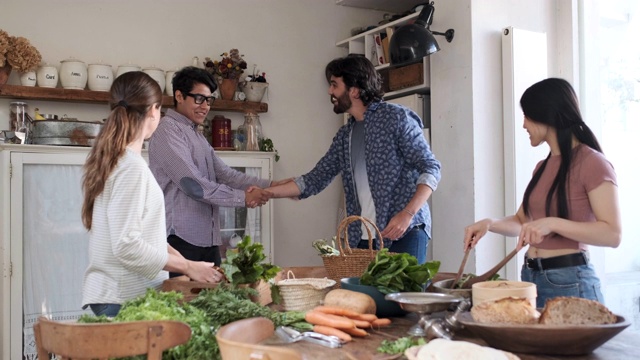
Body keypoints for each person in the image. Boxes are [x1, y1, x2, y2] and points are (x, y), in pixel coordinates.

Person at [267, 55, 441, 264]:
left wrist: (407, 214)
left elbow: (431, 169)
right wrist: (266, 192)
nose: (330, 92)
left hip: (404, 232)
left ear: (354, 90)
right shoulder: (345, 135)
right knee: (365, 298)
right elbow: (314, 179)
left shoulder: (397, 118)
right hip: (363, 238)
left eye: (334, 85)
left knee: (404, 297)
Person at [463, 78, 621, 307]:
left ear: (546, 115)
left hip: (571, 283)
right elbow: (521, 221)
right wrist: (490, 223)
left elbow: (612, 235)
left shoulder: (593, 163)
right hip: (531, 279)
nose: (524, 125)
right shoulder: (542, 167)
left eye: (527, 116)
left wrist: (553, 223)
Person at [81, 72, 223, 317]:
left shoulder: (118, 160)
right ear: (154, 110)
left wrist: (178, 258)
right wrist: (188, 265)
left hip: (114, 296)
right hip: (121, 299)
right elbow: (127, 246)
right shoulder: (131, 168)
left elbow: (137, 234)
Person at [148, 66, 272, 276]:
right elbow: (193, 186)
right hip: (180, 242)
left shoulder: (196, 134)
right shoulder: (167, 131)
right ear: (179, 95)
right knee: (184, 306)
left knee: (212, 306)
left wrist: (272, 187)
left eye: (209, 100)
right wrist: (244, 197)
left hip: (208, 241)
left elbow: (225, 175)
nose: (205, 106)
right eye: (199, 99)